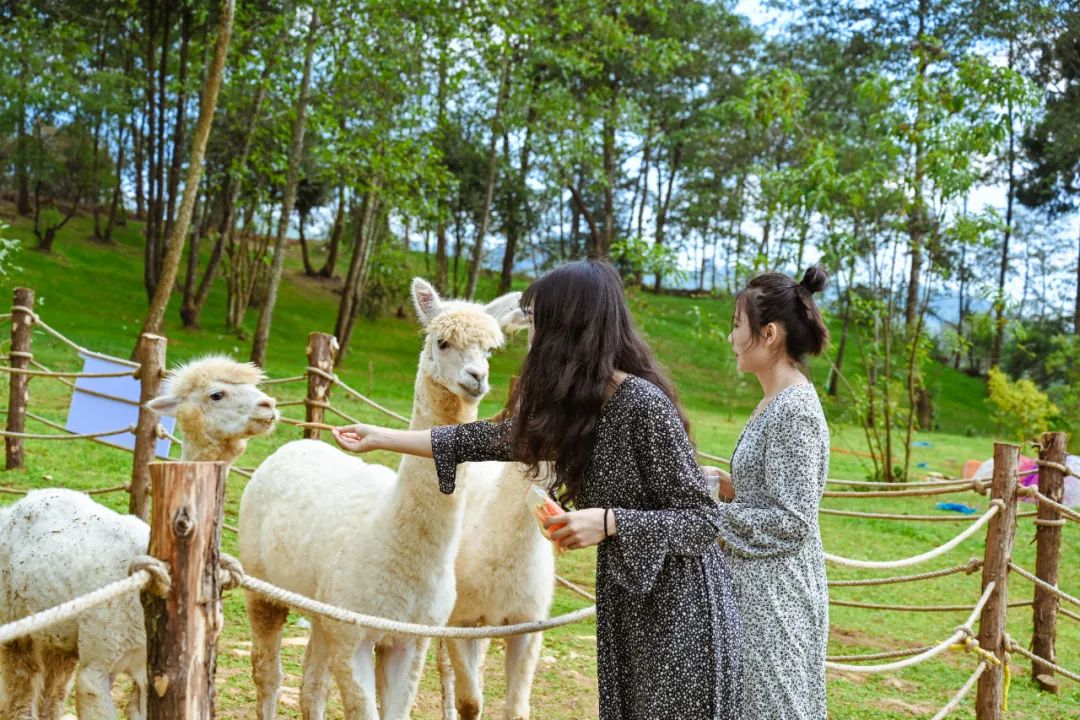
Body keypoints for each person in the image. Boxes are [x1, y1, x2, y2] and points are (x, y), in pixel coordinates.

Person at [333, 260, 742, 720]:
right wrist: (380, 437)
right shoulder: (577, 407)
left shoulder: (643, 406)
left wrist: (607, 522)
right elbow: (483, 440)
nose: (529, 338)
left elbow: (702, 520)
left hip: (678, 607)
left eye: (535, 323)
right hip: (627, 597)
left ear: (567, 330)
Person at [704, 266, 831, 719]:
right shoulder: (773, 401)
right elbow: (771, 492)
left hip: (776, 600)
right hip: (755, 592)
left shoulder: (794, 410)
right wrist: (728, 488)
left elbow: (793, 522)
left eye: (738, 326)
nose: (733, 337)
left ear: (770, 334)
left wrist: (706, 516)